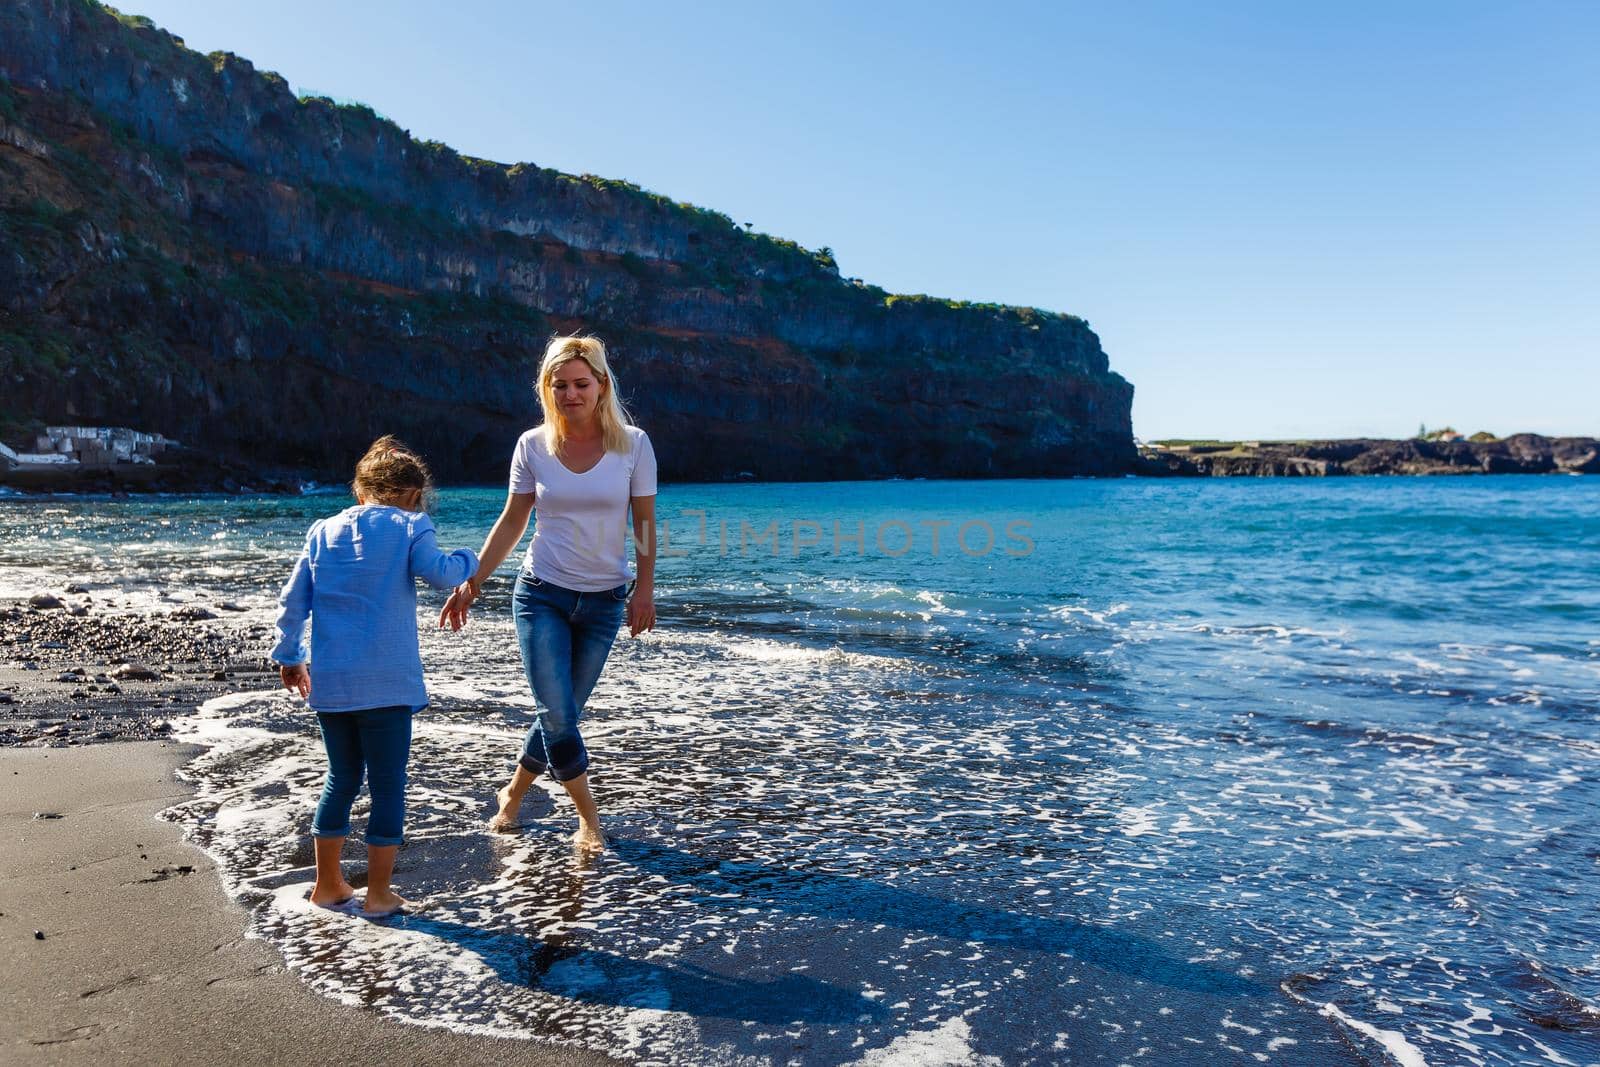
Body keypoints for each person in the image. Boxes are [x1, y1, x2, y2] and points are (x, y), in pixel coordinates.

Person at [439, 335, 656, 852]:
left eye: (581, 384)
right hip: (541, 595)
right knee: (557, 713)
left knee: (560, 714)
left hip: (605, 602)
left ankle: (512, 794)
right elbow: (514, 520)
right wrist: (475, 581)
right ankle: (589, 819)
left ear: (601, 386)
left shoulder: (634, 444)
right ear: (547, 388)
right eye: (560, 385)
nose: (570, 394)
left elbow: (644, 523)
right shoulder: (532, 445)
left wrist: (644, 589)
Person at [272, 437, 478, 917]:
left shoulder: (322, 531)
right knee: (387, 785)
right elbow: (441, 574)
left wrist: (290, 656)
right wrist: (472, 561)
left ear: (360, 493)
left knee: (340, 778)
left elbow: (293, 600)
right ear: (413, 496)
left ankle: (328, 885)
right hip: (386, 684)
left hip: (333, 683)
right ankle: (379, 894)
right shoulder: (411, 525)